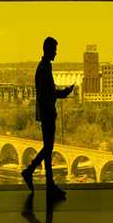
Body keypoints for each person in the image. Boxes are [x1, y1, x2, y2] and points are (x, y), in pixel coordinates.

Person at [21, 37, 74, 197]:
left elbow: (48, 93)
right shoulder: (44, 68)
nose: (56, 53)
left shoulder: (45, 67)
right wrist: (61, 94)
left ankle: (48, 184)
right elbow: (45, 96)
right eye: (55, 49)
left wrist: (62, 93)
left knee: (48, 149)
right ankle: (30, 172)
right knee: (48, 148)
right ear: (48, 49)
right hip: (48, 114)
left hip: (47, 113)